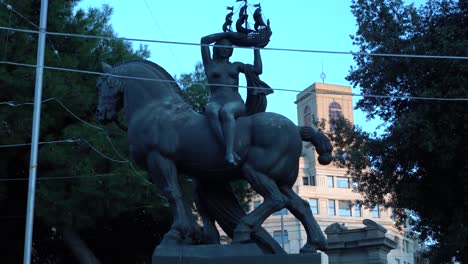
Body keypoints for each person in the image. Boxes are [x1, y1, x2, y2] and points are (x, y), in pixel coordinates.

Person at [201, 32, 266, 165]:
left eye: (229, 47)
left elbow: (258, 70)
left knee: (227, 111)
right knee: (211, 110)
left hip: (235, 103)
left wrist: (256, 49)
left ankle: (229, 152)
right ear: (216, 48)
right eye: (223, 46)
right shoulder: (209, 64)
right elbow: (204, 40)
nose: (226, 50)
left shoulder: (235, 65)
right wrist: (227, 34)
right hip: (215, 101)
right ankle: (227, 148)